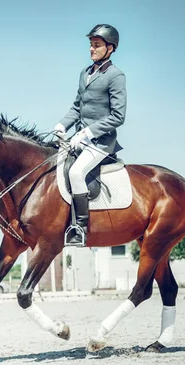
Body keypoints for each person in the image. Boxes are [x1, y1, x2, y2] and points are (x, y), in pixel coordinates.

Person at [54, 23, 127, 246]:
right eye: (91, 45)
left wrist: (88, 132)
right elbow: (77, 107)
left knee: (76, 173)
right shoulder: (85, 74)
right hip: (79, 138)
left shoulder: (116, 76)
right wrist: (62, 125)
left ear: (110, 48)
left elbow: (118, 116)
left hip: (101, 142)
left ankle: (80, 229)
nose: (91, 49)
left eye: (96, 45)